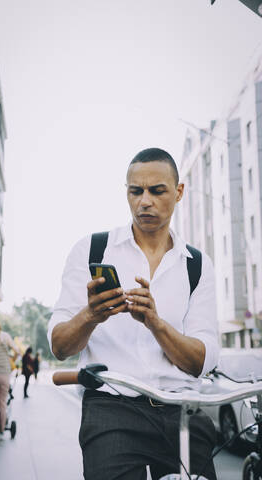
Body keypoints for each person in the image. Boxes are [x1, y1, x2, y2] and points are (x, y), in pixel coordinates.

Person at [48, 148, 220, 480]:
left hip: (182, 408)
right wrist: (91, 316)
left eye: (157, 191)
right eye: (135, 191)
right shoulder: (90, 249)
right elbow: (59, 346)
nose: (144, 201)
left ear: (178, 192)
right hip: (112, 408)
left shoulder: (197, 265)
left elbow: (202, 360)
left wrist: (156, 324)